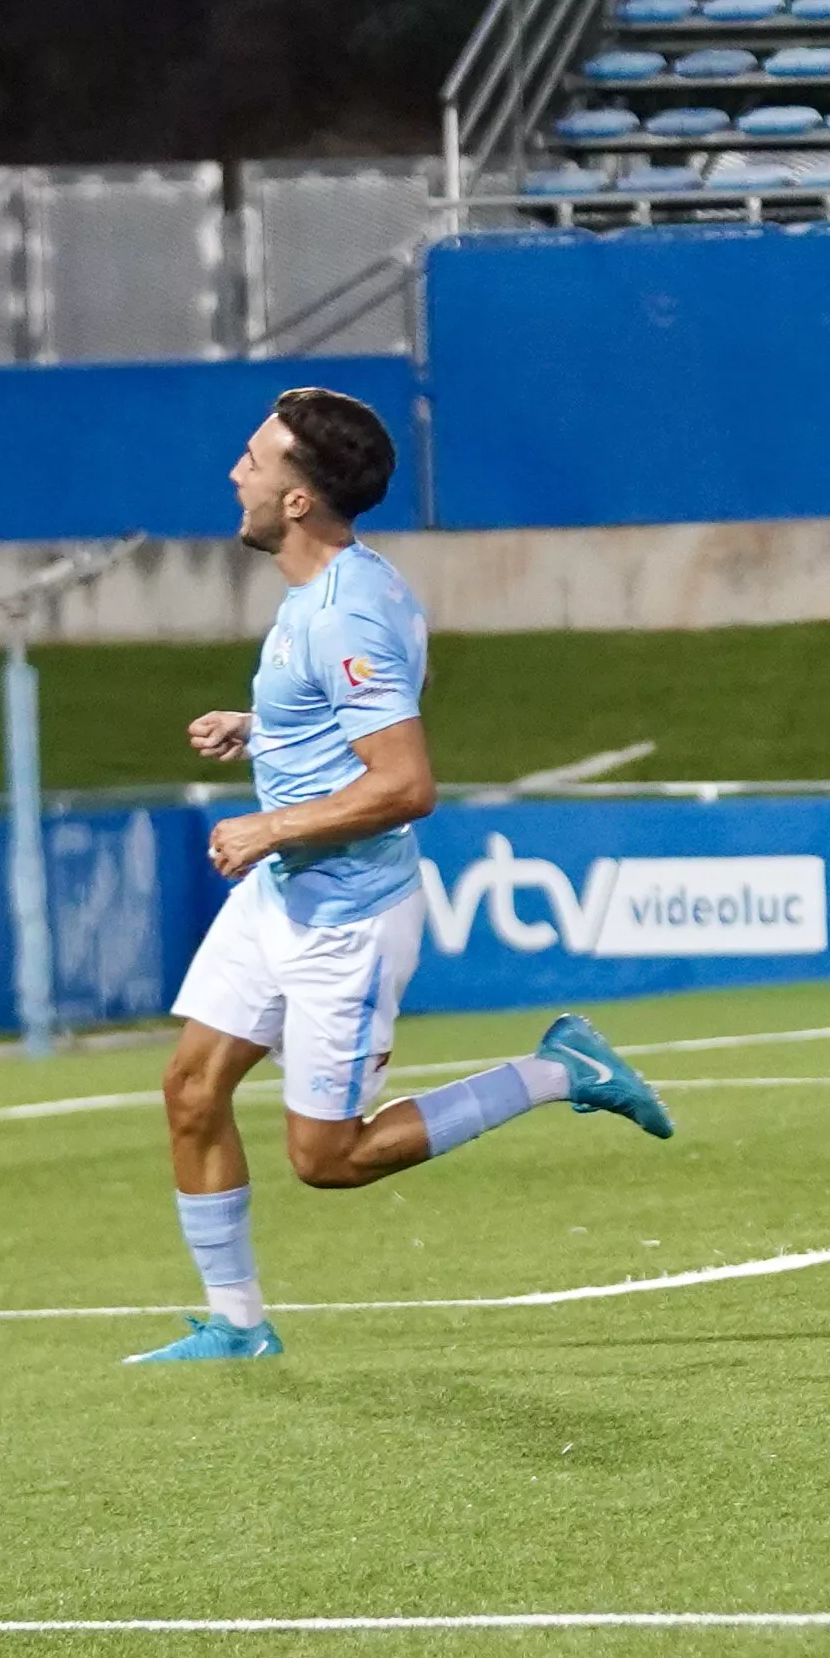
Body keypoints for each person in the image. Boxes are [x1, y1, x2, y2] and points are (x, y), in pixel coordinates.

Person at [130, 386, 675, 1365]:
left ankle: (559, 1069)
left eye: (256, 459)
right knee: (192, 1087)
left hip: (344, 911)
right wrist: (263, 729)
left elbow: (408, 781)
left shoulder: (343, 615)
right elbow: (349, 726)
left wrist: (268, 825)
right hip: (285, 892)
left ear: (300, 500)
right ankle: (238, 1322)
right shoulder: (346, 591)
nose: (236, 472)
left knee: (327, 1159)